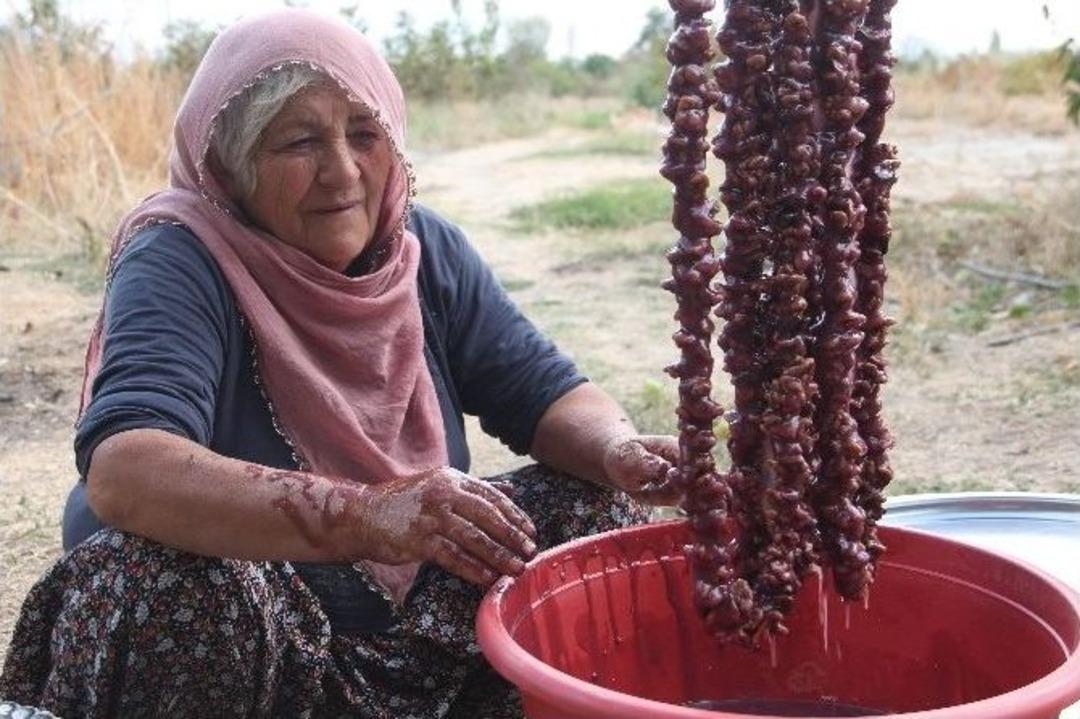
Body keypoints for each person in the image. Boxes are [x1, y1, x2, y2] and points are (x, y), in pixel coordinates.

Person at [0, 8, 680, 718]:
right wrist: (367, 512)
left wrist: (619, 448)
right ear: (231, 164)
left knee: (597, 503)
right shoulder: (182, 254)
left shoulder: (423, 248)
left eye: (365, 132)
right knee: (152, 580)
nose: (343, 170)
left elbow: (542, 391)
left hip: (419, 628)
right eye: (299, 141)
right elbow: (125, 471)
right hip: (258, 647)